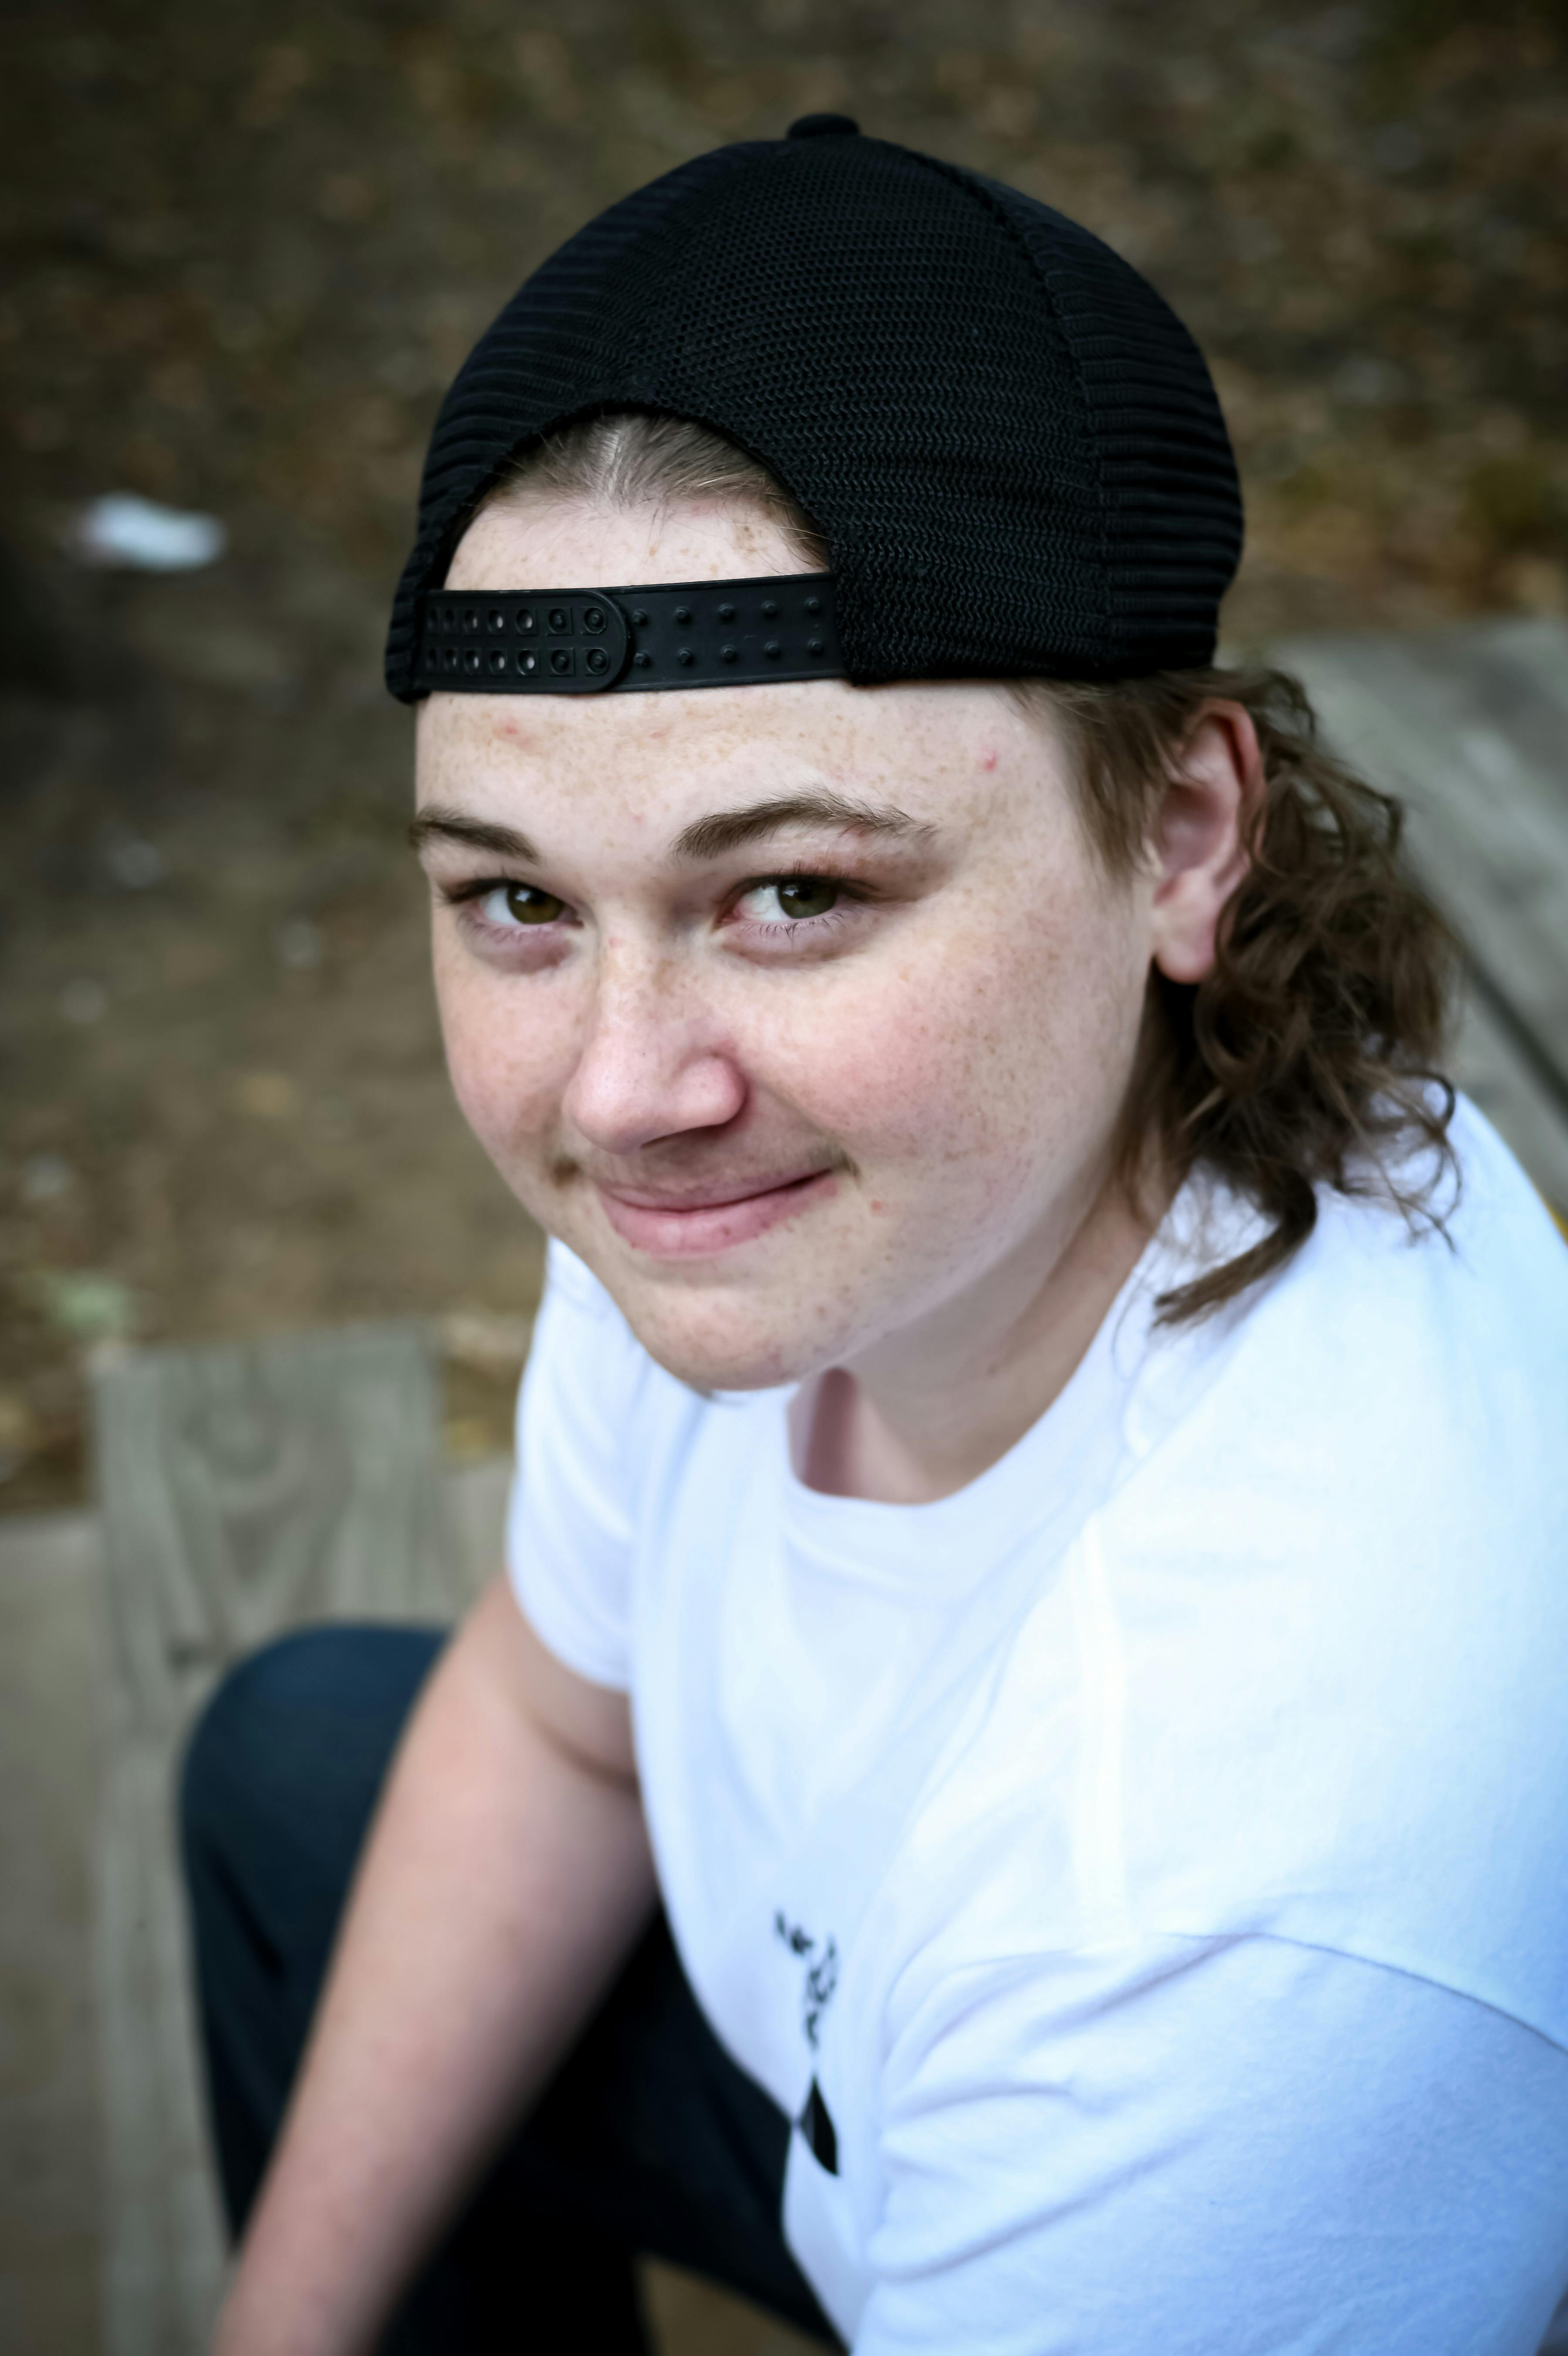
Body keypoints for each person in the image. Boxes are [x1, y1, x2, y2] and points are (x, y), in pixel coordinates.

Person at [180, 116, 1568, 2356]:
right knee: (306, 1775)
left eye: (797, 890)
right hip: (882, 2082)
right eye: (516, 897)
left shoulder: (1224, 1912)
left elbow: (1166, 1973)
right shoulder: (814, 1166)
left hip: (1135, 2169)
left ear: (1183, 833)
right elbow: (558, 1724)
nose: (624, 1085)